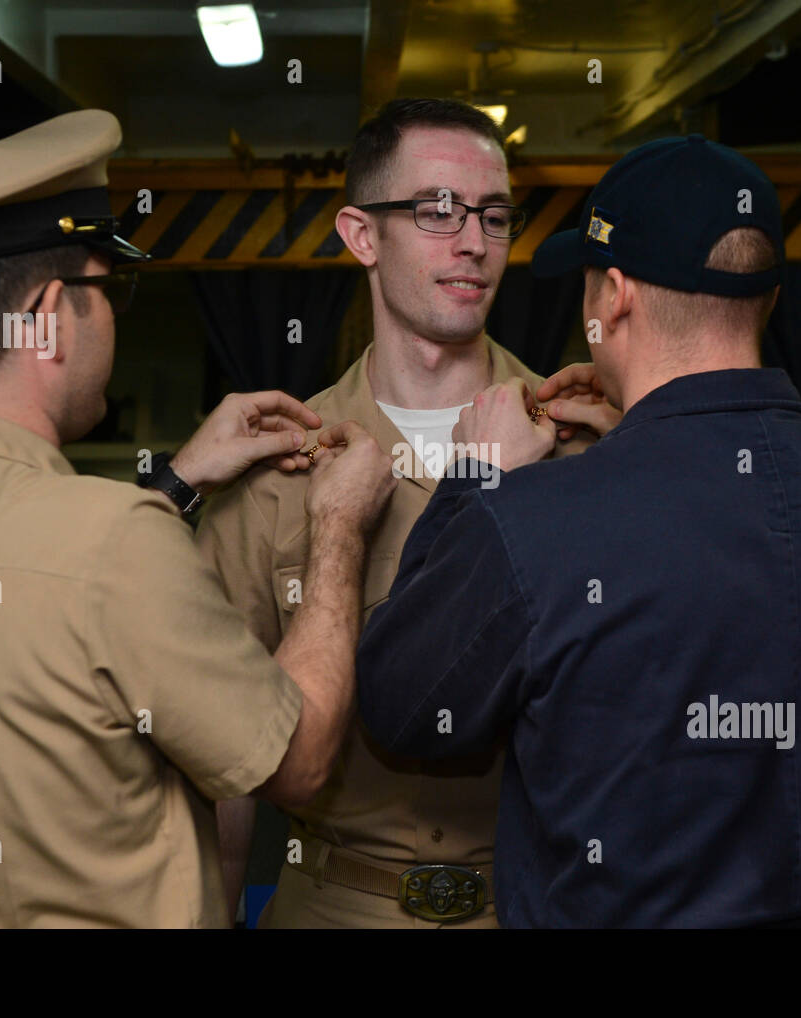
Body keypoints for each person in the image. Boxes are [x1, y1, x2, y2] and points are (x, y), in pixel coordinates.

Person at [0, 109, 395, 927]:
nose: (112, 316)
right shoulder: (110, 544)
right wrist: (339, 529)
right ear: (48, 313)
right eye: (106, 291)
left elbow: (32, 596)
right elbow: (296, 761)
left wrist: (178, 480)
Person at [357, 134, 801, 928]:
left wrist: (476, 476)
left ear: (616, 297)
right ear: (765, 299)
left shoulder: (536, 517)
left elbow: (404, 708)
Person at [195, 98, 596, 928]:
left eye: (492, 215)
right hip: (335, 901)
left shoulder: (580, 447)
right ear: (361, 236)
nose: (474, 243)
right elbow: (220, 766)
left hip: (535, 902)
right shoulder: (277, 469)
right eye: (436, 210)